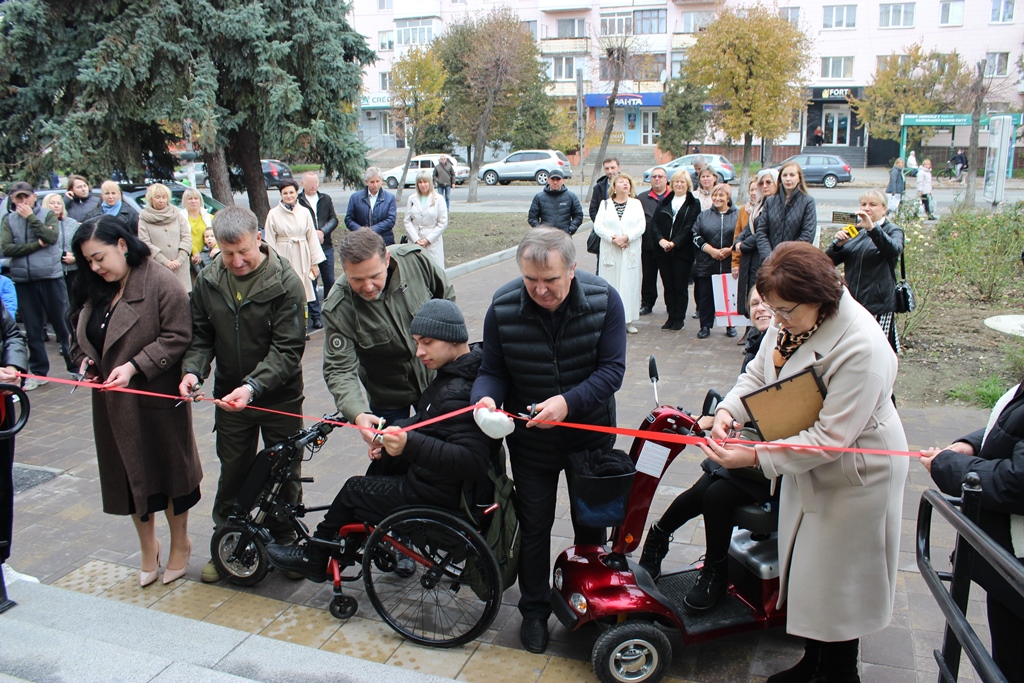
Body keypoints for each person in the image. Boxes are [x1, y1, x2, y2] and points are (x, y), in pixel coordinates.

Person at [699, 241, 908, 683]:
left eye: (784, 311)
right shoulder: (792, 317)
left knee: (839, 582)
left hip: (855, 477)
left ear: (819, 298)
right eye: (771, 310)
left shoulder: (862, 347)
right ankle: (812, 663)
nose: (776, 320)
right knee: (810, 572)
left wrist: (753, 455)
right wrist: (727, 411)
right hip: (804, 459)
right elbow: (757, 374)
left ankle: (837, 674)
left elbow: (830, 440)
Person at [265, 299, 500, 581]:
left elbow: (471, 460)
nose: (418, 352)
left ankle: (313, 558)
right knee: (374, 475)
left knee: (353, 489)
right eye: (416, 342)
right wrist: (390, 432)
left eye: (426, 342)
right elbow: (428, 420)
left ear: (452, 338)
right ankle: (343, 546)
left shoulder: (458, 389)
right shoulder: (461, 371)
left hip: (435, 492)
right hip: (438, 482)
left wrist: (408, 444)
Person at [472, 228, 626, 653]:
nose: (541, 290)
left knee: (590, 525)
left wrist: (568, 403)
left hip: (589, 438)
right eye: (530, 280)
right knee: (535, 527)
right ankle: (535, 610)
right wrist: (484, 398)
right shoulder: (503, 307)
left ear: (573, 269)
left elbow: (612, 371)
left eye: (551, 280)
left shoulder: (604, 299)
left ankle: (592, 605)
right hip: (531, 443)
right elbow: (492, 370)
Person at [69, 217, 202, 587]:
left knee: (171, 475)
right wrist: (83, 360)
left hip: (155, 398)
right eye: (88, 262)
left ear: (122, 245)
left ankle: (180, 543)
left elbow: (179, 336)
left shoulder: (159, 281)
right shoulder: (92, 285)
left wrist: (133, 367)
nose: (95, 267)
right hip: (112, 405)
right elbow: (77, 331)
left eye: (99, 257)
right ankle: (148, 547)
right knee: (128, 478)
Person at [179, 206, 308, 583]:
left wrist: (253, 386)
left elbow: (287, 349)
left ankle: (287, 542)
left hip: (278, 396)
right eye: (227, 252)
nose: (235, 261)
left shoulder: (286, 282)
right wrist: (192, 370)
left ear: (258, 239)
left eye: (243, 251)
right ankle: (226, 543)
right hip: (228, 398)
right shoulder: (208, 280)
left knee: (285, 471)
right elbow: (201, 336)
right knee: (233, 469)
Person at [638, 288, 775, 609]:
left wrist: (724, 421)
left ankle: (712, 570)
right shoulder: (758, 345)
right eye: (754, 303)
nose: (761, 308)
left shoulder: (784, 347)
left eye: (768, 303)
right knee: (706, 485)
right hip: (751, 446)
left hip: (780, 459)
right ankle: (658, 538)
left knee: (715, 493)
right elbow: (743, 396)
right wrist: (718, 416)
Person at [920, 378, 1024, 683]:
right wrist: (974, 443)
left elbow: (1016, 483)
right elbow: (1012, 426)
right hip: (1008, 558)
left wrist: (950, 467)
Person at [322, 228, 454, 439]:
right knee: (394, 457)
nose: (367, 287)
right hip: (388, 397)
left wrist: (450, 363)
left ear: (386, 259)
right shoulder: (338, 308)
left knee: (445, 445)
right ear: (345, 271)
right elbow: (339, 369)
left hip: (437, 381)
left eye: (375, 276)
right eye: (357, 280)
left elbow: (447, 304)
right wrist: (358, 413)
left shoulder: (416, 262)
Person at [0, 181, 75, 389]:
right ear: (12, 200)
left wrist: (31, 219)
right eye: (18, 198)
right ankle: (39, 371)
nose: (23, 201)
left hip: (50, 276)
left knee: (62, 323)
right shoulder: (8, 220)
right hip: (24, 280)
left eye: (26, 197)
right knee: (33, 329)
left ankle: (75, 367)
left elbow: (51, 237)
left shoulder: (46, 215)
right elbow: (6, 248)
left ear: (34, 197)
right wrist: (35, 245)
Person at [826, 190, 904, 356]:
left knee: (877, 351)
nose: (867, 208)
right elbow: (828, 261)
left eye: (873, 205)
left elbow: (893, 250)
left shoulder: (893, 230)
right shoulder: (855, 230)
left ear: (884, 209)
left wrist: (873, 229)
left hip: (878, 304)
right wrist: (837, 245)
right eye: (864, 204)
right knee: (853, 349)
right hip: (853, 302)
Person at [593, 173, 645, 334]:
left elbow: (641, 225)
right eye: (621, 182)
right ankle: (609, 321)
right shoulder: (605, 204)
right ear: (614, 187)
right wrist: (612, 238)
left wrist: (626, 237)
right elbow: (598, 226)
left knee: (629, 285)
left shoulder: (636, 204)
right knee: (611, 285)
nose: (625, 184)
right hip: (611, 250)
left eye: (627, 182)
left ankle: (628, 321)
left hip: (629, 249)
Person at [264, 179, 325, 317]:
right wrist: (274, 264)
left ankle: (305, 323)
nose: (289, 196)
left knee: (304, 292)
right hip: (284, 254)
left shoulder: (304, 212)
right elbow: (270, 241)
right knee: (287, 290)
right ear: (281, 194)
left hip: (303, 254)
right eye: (285, 193)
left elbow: (312, 238)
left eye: (291, 192)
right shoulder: (273, 214)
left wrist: (314, 263)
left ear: (297, 193)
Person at [653, 170, 701, 332]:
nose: (679, 185)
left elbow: (690, 227)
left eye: (683, 182)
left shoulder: (693, 203)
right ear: (671, 184)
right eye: (676, 182)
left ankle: (679, 317)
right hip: (663, 251)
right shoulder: (665, 201)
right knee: (668, 285)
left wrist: (674, 243)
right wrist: (661, 240)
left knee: (680, 285)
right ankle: (671, 316)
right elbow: (655, 224)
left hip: (682, 251)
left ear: (688, 184)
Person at [693, 183, 737, 340]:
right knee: (706, 295)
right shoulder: (703, 215)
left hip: (729, 261)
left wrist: (730, 249)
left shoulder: (736, 215)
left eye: (721, 195)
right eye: (715, 195)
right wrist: (710, 250)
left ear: (728, 198)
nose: (717, 198)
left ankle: (730, 324)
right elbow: (695, 235)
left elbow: (742, 235)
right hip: (707, 261)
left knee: (729, 295)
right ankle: (705, 325)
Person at [732, 169, 777, 323]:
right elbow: (747, 227)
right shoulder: (760, 203)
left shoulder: (776, 205)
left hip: (761, 255)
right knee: (750, 296)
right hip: (749, 259)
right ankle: (751, 329)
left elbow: (763, 232)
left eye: (768, 182)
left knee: (762, 298)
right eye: (761, 183)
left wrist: (743, 245)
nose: (764, 186)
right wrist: (737, 242)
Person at [297, 172, 339, 329]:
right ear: (303, 184)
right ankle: (315, 316)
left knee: (329, 280)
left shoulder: (325, 199)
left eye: (316, 182)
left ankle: (330, 310)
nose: (313, 186)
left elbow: (334, 219)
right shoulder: (299, 202)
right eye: (310, 183)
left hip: (326, 246)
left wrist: (322, 231)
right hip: (307, 249)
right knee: (311, 281)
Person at [755, 161, 816, 262]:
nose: (788, 179)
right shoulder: (770, 201)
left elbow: (807, 234)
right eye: (785, 175)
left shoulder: (807, 202)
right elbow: (761, 231)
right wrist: (768, 257)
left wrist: (786, 256)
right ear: (780, 178)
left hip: (795, 261)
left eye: (792, 175)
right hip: (770, 262)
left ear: (799, 178)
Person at [138, 183, 192, 293]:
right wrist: (165, 261)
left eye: (164, 197)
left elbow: (186, 236)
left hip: (181, 266)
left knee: (184, 300)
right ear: (151, 198)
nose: (161, 200)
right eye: (157, 197)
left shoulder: (176, 214)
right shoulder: (144, 218)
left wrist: (180, 259)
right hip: (159, 268)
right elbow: (145, 243)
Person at [637, 167, 670, 317]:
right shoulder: (642, 198)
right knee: (648, 277)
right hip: (648, 246)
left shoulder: (673, 196)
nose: (657, 179)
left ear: (666, 179)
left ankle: (671, 305)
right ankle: (647, 303)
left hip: (668, 247)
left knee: (669, 278)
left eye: (660, 176)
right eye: (654, 176)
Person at [404, 170, 449, 269]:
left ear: (430, 182)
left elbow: (443, 222)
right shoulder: (412, 199)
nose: (423, 185)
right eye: (420, 182)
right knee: (416, 270)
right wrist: (416, 239)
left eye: (425, 182)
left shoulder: (439, 199)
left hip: (432, 241)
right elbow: (407, 221)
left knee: (433, 269)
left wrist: (428, 240)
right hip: (415, 239)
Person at [344, 166, 397, 246]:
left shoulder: (390, 198)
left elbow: (391, 220)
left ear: (381, 180)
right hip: (361, 241)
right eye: (372, 182)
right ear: (366, 182)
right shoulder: (355, 198)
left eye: (377, 181)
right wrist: (362, 231)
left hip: (384, 241)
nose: (375, 185)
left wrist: (371, 230)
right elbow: (349, 219)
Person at [527, 170, 583, 235]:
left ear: (562, 181)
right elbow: (532, 218)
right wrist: (541, 230)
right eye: (552, 179)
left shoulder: (571, 197)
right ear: (548, 180)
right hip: (545, 237)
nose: (555, 182)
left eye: (558, 180)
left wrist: (570, 229)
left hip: (564, 237)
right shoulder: (539, 197)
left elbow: (578, 216)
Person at [47, 193, 80, 301]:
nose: (56, 206)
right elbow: (46, 245)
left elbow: (79, 243)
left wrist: (75, 257)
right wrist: (62, 255)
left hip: (73, 270)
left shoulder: (72, 223)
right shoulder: (43, 224)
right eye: (52, 203)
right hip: (53, 271)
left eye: (59, 203)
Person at [182, 188, 213, 277]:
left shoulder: (209, 217)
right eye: (190, 199)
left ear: (200, 200)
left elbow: (218, 236)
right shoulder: (180, 218)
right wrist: (194, 252)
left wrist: (215, 248)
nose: (193, 201)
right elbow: (182, 237)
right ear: (185, 201)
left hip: (208, 257)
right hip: (189, 258)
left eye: (196, 198)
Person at [588, 158, 620, 223]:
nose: (610, 171)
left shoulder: (627, 185)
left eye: (612, 168)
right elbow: (593, 209)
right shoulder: (598, 187)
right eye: (607, 168)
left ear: (619, 168)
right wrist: (600, 225)